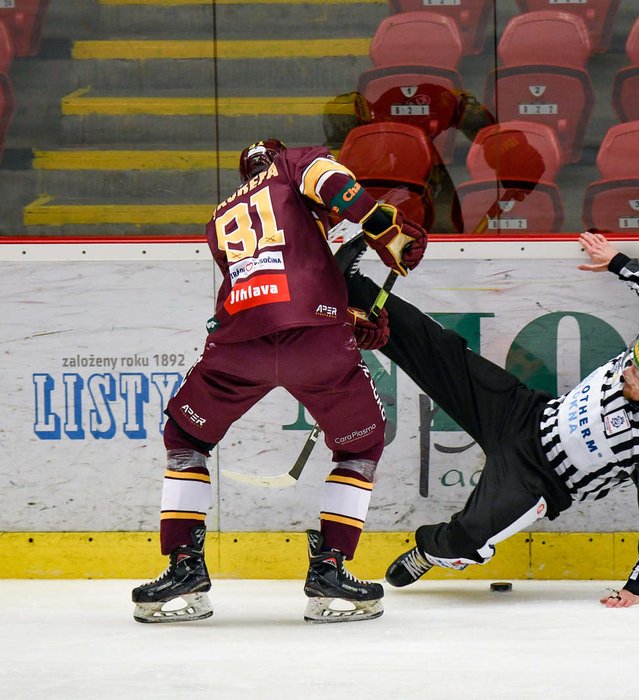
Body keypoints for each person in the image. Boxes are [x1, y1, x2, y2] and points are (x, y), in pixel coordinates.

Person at [131, 139, 428, 624]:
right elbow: (330, 184)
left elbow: (268, 290)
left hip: (237, 346)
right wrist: (381, 225)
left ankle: (183, 568)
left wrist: (346, 316)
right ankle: (330, 570)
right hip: (315, 345)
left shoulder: (219, 219)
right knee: (361, 445)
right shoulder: (292, 164)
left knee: (185, 437)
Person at [343, 231, 639, 607]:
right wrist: (616, 261)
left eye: (637, 374)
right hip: (523, 413)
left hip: (538, 481)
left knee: (467, 541)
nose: (627, 368)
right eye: (633, 361)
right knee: (441, 352)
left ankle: (430, 552)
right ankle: (353, 289)